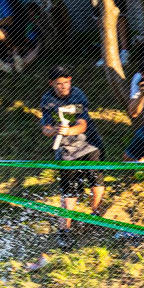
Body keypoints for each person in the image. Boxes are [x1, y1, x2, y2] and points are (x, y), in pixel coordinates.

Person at [38, 66, 105, 251]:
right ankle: (64, 231)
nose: (64, 87)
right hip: (66, 150)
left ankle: (96, 215)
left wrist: (69, 130)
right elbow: (45, 128)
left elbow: (82, 125)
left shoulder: (78, 94)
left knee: (96, 180)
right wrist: (54, 130)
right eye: (59, 83)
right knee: (69, 190)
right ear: (51, 83)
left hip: (89, 144)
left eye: (66, 82)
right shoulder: (47, 100)